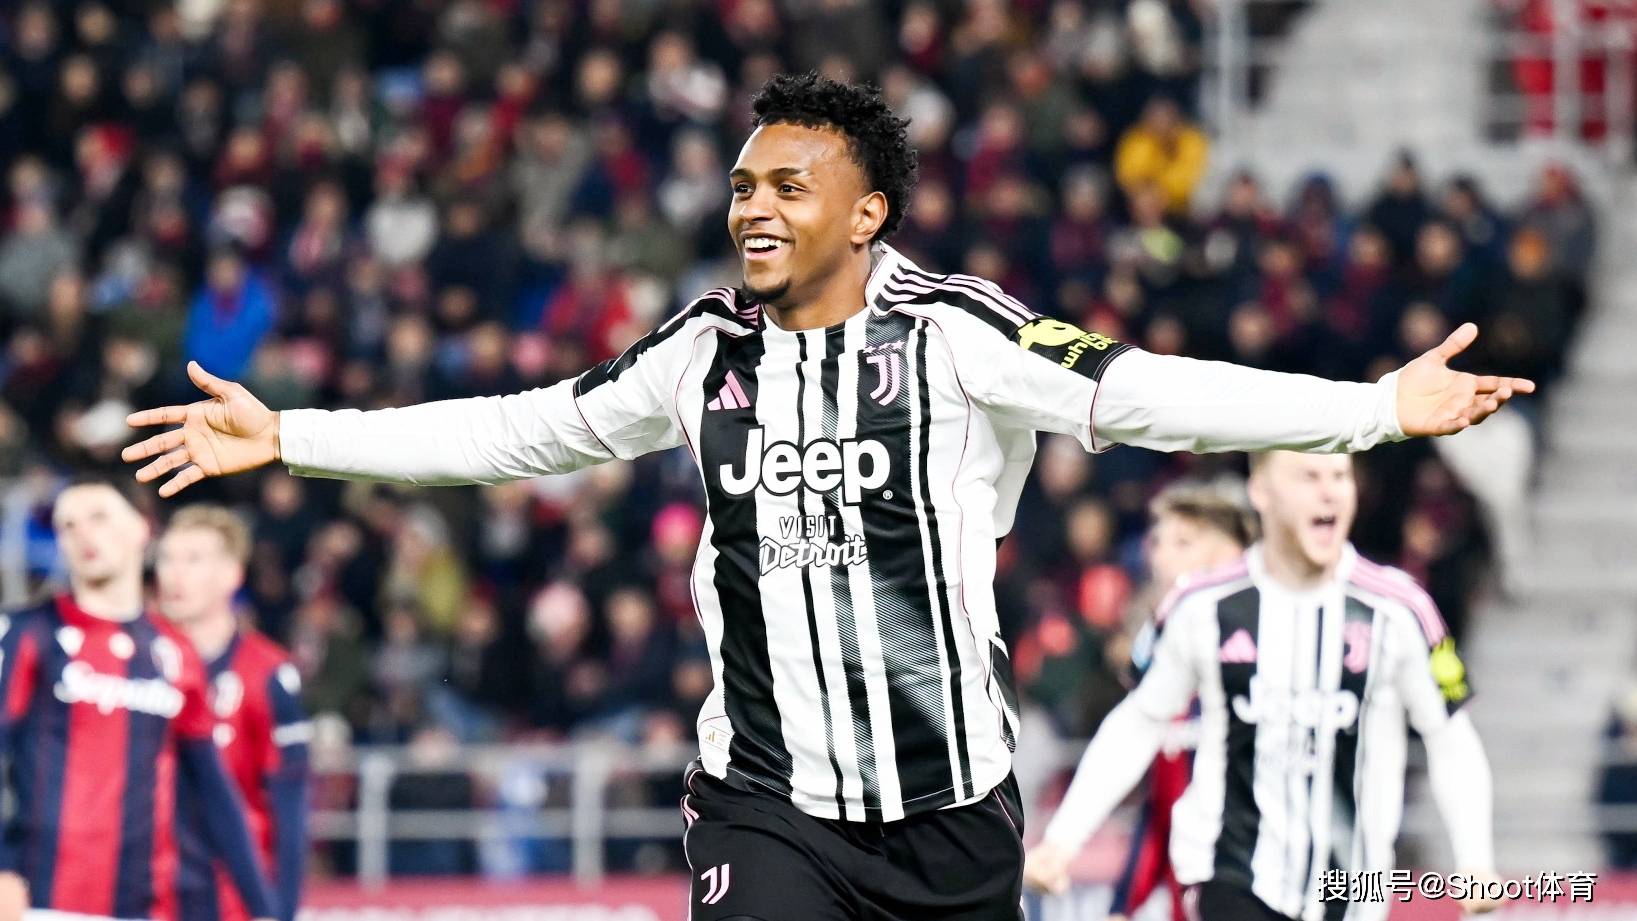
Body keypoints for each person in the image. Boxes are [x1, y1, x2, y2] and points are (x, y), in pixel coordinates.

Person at [124, 74, 1530, 920]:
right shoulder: (700, 351)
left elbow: (1149, 393)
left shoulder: (958, 333)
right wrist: (292, 435)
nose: (753, 207)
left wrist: (1369, 410)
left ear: (866, 215)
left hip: (952, 809)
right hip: (765, 801)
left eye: (789, 187)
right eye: (744, 185)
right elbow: (520, 431)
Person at [1027, 452, 1499, 920]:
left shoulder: (1403, 609)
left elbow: (1450, 736)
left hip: (1352, 889)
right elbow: (1139, 721)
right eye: (1309, 477)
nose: (1329, 492)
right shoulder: (1200, 604)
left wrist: (1475, 858)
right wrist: (1062, 841)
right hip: (1229, 874)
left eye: (1339, 476)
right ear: (1262, 492)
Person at [0, 480, 276, 921]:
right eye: (68, 525)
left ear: (141, 529)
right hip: (37, 899)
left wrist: (264, 908)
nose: (83, 535)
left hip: (139, 902)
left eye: (99, 518)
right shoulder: (25, 634)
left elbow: (214, 790)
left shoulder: (175, 652)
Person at [1028, 481, 1258, 918]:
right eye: (1158, 542)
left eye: (1183, 543)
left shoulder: (1270, 642)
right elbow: (1154, 778)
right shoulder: (1161, 640)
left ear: (1234, 554)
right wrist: (1119, 894)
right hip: (1195, 864)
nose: (1162, 558)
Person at [157, 505, 310, 921]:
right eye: (167, 558)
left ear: (231, 574)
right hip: (149, 894)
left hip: (233, 898)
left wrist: (281, 912)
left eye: (193, 559)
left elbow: (290, 806)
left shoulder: (267, 673)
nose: (174, 574)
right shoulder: (137, 663)